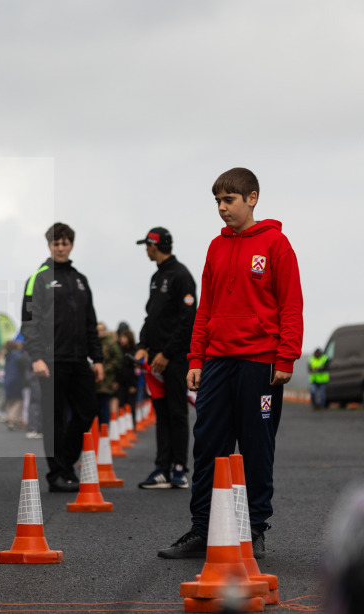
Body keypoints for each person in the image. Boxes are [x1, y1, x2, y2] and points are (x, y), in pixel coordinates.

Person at [158, 168, 303, 560]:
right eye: (218, 202)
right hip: (218, 361)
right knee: (207, 447)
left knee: (257, 447)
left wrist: (286, 355)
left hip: (260, 362)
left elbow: (290, 304)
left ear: (251, 198)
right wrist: (196, 357)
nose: (222, 208)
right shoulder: (215, 248)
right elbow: (205, 309)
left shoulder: (276, 244)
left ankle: (253, 531)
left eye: (229, 200)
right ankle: (202, 530)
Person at [21, 222, 103, 494]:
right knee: (53, 419)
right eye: (56, 243)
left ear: (71, 245)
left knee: (88, 411)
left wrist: (98, 358)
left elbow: (91, 322)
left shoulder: (81, 280)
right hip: (50, 361)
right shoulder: (39, 278)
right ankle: (58, 474)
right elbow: (29, 322)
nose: (60, 247)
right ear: (49, 245)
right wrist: (36, 357)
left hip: (79, 360)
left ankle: (65, 464)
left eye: (65, 243)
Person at [133, 227, 197, 490]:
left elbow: (188, 321)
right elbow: (152, 317)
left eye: (147, 245)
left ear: (154, 246)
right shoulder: (156, 276)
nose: (146, 250)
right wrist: (142, 345)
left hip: (176, 359)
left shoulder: (181, 276)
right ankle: (162, 468)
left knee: (177, 412)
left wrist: (167, 354)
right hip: (155, 361)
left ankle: (180, 469)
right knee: (162, 414)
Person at [96, 322, 124, 426]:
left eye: (102, 329)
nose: (100, 332)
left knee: (104, 405)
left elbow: (119, 360)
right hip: (93, 381)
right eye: (98, 330)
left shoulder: (111, 344)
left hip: (106, 381)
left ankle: (105, 430)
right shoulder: (93, 343)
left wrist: (106, 368)